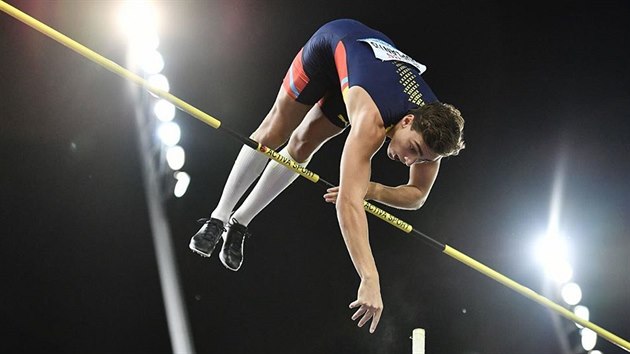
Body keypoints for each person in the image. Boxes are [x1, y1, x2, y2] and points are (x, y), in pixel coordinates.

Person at [189, 18, 465, 333]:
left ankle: (240, 222)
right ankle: (219, 216)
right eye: (413, 150)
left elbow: (417, 196)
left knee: (302, 146)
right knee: (274, 132)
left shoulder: (433, 139)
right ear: (406, 121)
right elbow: (347, 203)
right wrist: (369, 278)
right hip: (335, 43)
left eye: (422, 158)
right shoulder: (371, 123)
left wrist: (372, 189)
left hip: (366, 74)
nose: (410, 160)